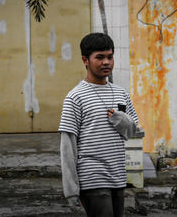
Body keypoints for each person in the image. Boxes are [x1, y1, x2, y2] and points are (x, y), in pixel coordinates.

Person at [59, 33, 139, 217]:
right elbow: (67, 146)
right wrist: (71, 190)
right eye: (100, 57)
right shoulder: (75, 97)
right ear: (85, 60)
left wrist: (120, 119)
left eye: (110, 57)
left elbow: (133, 132)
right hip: (92, 179)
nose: (106, 62)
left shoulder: (121, 93)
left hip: (118, 177)